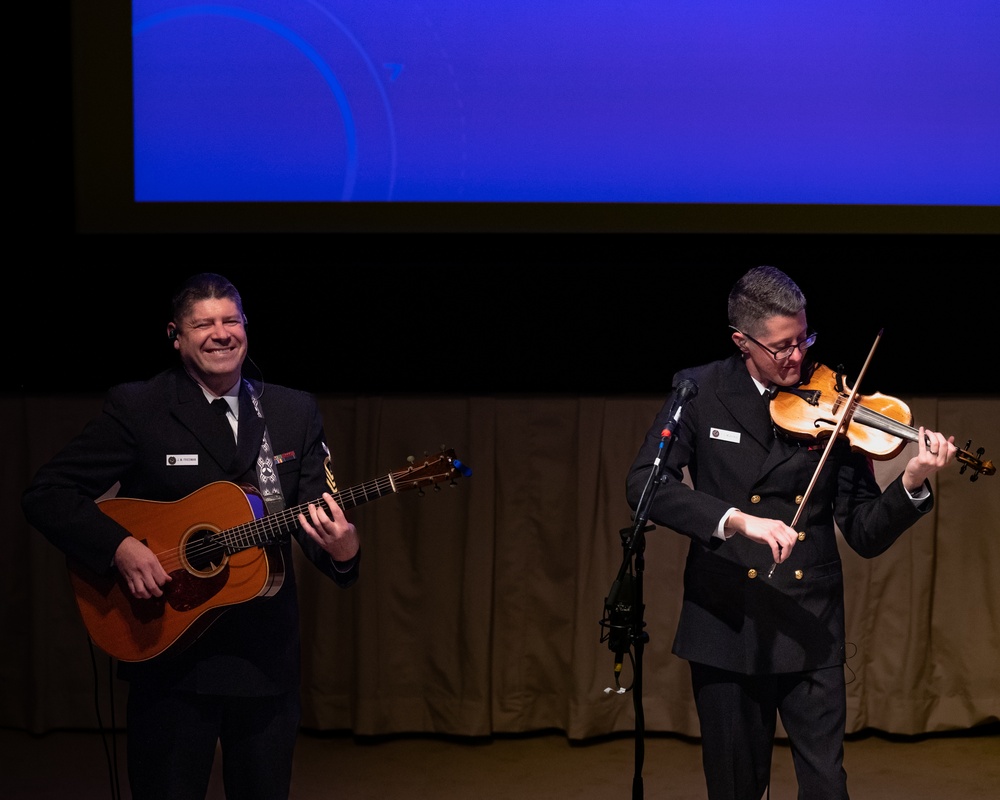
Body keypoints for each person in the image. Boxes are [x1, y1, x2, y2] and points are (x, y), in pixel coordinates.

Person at [22, 272, 361, 800]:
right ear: (176, 336)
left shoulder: (293, 411)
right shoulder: (140, 407)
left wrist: (342, 551)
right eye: (203, 324)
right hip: (168, 651)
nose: (220, 333)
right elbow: (49, 492)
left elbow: (317, 515)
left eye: (231, 320)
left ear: (247, 328)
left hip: (265, 657)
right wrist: (119, 547)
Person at [625, 265, 957, 800]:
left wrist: (911, 480)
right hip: (727, 624)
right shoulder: (700, 389)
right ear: (742, 341)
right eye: (781, 347)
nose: (797, 357)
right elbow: (645, 484)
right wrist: (735, 519)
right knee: (736, 787)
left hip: (810, 621)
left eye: (804, 339)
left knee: (827, 786)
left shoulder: (835, 406)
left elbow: (865, 532)